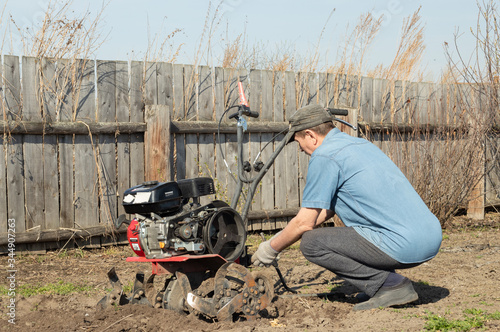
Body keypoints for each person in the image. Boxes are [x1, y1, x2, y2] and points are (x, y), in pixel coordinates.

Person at [251, 104, 442, 311]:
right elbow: (327, 210)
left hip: (404, 244)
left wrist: (270, 249)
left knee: (312, 243)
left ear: (311, 135)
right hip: (430, 236)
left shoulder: (325, 155)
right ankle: (382, 283)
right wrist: (280, 238)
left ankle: (391, 286)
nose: (300, 149)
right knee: (353, 235)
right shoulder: (360, 145)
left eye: (298, 142)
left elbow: (304, 223)